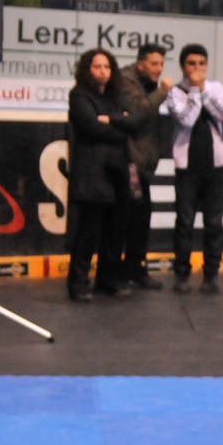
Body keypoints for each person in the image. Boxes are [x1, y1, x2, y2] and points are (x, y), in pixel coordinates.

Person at [165, 44, 223, 294]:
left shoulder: (216, 87)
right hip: (188, 167)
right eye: (192, 63)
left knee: (214, 223)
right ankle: (182, 273)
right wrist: (195, 90)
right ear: (183, 66)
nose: (197, 68)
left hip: (215, 166)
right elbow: (187, 118)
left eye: (201, 63)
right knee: (185, 223)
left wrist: (203, 90)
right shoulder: (175, 92)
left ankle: (211, 274)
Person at [65, 49, 130, 302]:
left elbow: (132, 125)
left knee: (115, 230)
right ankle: (78, 283)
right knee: (88, 231)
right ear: (87, 70)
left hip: (117, 172)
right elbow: (91, 127)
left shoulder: (116, 96)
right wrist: (118, 123)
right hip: (91, 172)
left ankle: (107, 280)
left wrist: (110, 121)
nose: (103, 71)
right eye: (97, 67)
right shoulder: (79, 95)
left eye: (107, 66)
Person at [108, 43, 172, 292]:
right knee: (127, 216)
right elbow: (138, 113)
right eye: (154, 64)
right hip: (128, 160)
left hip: (142, 162)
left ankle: (135, 267)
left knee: (141, 215)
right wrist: (163, 91)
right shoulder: (126, 80)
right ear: (140, 63)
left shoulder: (147, 83)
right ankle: (119, 271)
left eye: (161, 64)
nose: (159, 69)